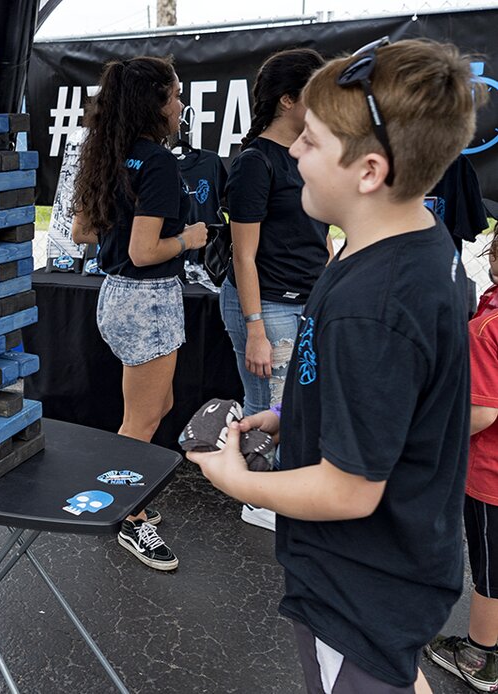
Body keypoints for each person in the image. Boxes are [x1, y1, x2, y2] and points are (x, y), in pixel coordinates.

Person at [187, 37, 483, 693]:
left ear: (370, 171)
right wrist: (289, 414)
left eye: (313, 142)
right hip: (387, 574)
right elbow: (379, 396)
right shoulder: (389, 246)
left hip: (361, 587)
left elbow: (350, 491)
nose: (294, 152)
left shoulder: (376, 308)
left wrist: (237, 481)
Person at [70, 55, 207, 571]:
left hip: (116, 295)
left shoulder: (108, 154)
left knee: (155, 404)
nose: (179, 104)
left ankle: (127, 497)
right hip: (147, 298)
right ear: (155, 103)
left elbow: (83, 233)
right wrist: (189, 238)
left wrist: (126, 233)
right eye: (174, 94)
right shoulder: (157, 163)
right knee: (143, 420)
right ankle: (127, 516)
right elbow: (148, 251)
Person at [220, 48, 329, 532]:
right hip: (265, 305)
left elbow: (321, 235)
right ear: (288, 100)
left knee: (297, 401)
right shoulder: (254, 163)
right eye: (315, 92)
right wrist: (255, 328)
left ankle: (282, 486)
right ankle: (258, 498)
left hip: (308, 300)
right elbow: (243, 255)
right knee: (267, 403)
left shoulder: (309, 155)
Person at [425, 231, 498, 692]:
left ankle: (481, 656)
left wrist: (432, 434)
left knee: (490, 567)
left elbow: (484, 411)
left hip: (490, 474)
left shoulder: (488, 328)